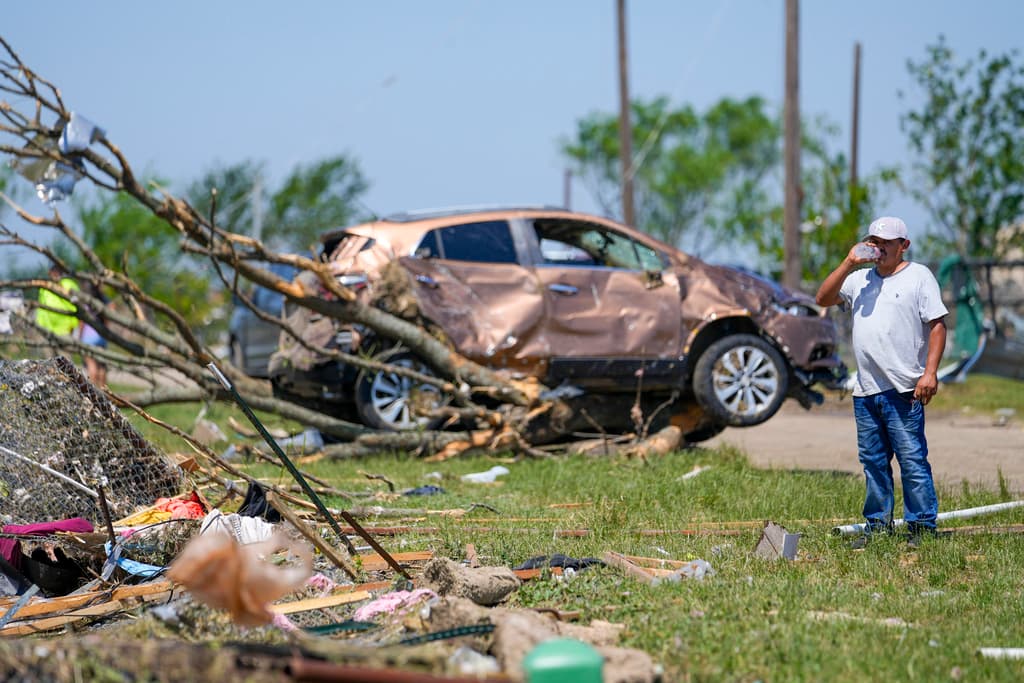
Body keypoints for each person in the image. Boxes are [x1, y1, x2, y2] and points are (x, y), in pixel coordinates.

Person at [815, 216, 948, 549]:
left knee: (912, 460)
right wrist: (848, 262)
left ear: (904, 245)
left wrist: (929, 373)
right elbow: (823, 298)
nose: (880, 246)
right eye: (874, 240)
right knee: (873, 463)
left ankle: (921, 528)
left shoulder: (919, 277)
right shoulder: (859, 280)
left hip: (903, 389)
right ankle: (878, 526)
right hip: (866, 391)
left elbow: (937, 326)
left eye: (888, 241)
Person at [35, 264, 80, 338]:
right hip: (48, 330)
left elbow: (76, 306)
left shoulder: (68, 284)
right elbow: (41, 308)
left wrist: (73, 326)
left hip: (66, 330)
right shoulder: (45, 287)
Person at [78, 282, 109, 387]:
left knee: (91, 366)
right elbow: (106, 321)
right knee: (102, 367)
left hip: (88, 338)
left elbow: (82, 323)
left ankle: (94, 391)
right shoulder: (103, 302)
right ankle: (104, 391)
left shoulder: (85, 303)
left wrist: (79, 336)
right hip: (101, 337)